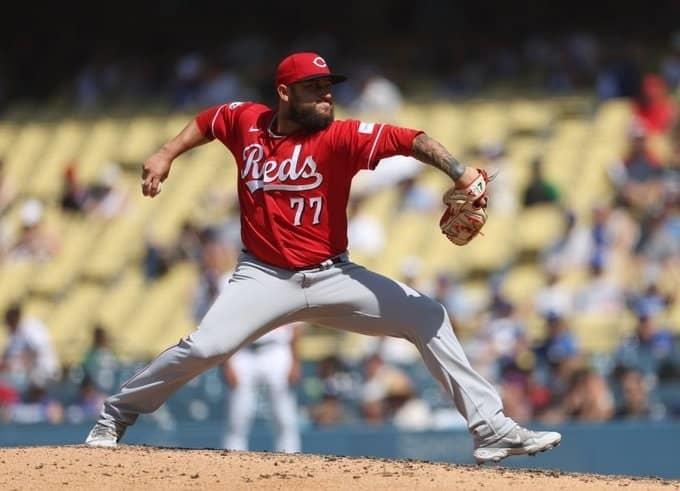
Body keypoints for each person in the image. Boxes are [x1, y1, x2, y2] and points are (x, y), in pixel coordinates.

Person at [85, 51, 561, 464]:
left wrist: (457, 172)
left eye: (328, 87)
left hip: (333, 274)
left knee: (427, 315)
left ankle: (490, 428)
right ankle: (116, 413)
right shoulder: (246, 122)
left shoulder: (340, 137)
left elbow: (411, 139)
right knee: (206, 348)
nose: (326, 96)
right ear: (284, 93)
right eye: (314, 88)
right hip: (263, 276)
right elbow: (208, 121)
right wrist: (166, 153)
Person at [221, 322, 303, 453]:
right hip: (242, 352)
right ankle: (232, 464)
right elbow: (223, 327)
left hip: (277, 350)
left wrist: (295, 361)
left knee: (284, 417)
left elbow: (296, 325)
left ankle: (290, 463)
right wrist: (227, 364)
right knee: (238, 417)